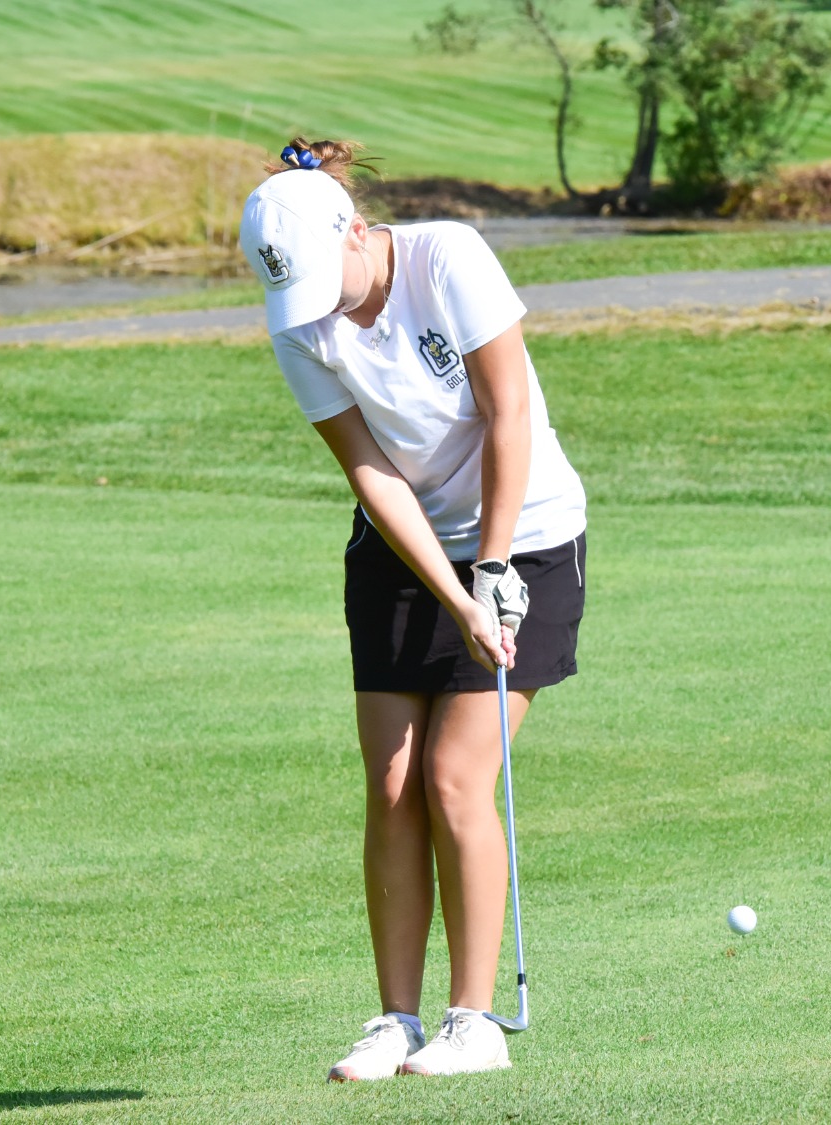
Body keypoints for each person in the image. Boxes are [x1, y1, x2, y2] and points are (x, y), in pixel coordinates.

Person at [239, 139, 588, 1081]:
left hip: (530, 535)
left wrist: (496, 567)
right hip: (403, 548)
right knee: (390, 782)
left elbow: (507, 412)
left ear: (357, 229)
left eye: (329, 280)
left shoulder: (449, 257)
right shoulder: (299, 317)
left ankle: (472, 1022)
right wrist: (450, 586)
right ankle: (394, 1017)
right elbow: (370, 469)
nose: (325, 308)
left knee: (451, 775)